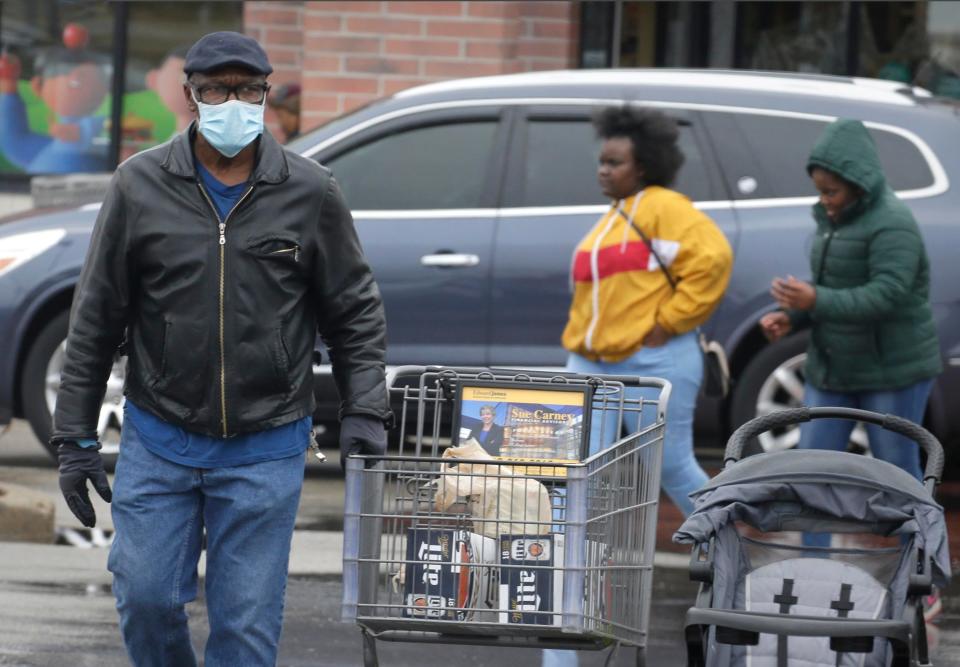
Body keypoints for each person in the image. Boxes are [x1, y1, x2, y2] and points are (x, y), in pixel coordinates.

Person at [51, 31, 391, 666]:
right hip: (161, 436)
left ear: (265, 95)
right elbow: (96, 316)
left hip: (267, 447)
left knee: (245, 631)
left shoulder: (311, 191)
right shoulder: (138, 185)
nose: (232, 102)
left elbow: (354, 310)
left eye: (247, 90)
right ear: (190, 96)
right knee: (147, 598)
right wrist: (74, 437)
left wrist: (365, 409)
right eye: (216, 90)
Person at [547, 106, 733, 666]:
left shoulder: (665, 208)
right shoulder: (615, 214)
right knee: (574, 481)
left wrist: (668, 322)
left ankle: (732, 549)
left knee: (672, 466)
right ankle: (560, 635)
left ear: (644, 163)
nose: (604, 170)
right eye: (601, 160)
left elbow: (714, 259)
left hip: (653, 360)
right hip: (592, 363)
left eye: (615, 162)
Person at [760, 118, 942, 535]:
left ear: (860, 184)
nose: (824, 200)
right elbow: (834, 288)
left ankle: (922, 582)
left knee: (898, 477)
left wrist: (815, 299)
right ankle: (811, 574)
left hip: (892, 369)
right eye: (819, 190)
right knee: (812, 473)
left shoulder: (892, 222)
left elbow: (888, 294)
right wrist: (793, 316)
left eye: (831, 191)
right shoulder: (835, 219)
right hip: (834, 364)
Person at [0, 23, 111, 173]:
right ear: (38, 87)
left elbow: (110, 132)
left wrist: (82, 132)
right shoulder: (49, 147)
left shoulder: (100, 133)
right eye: (72, 80)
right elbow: (14, 143)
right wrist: (9, 88)